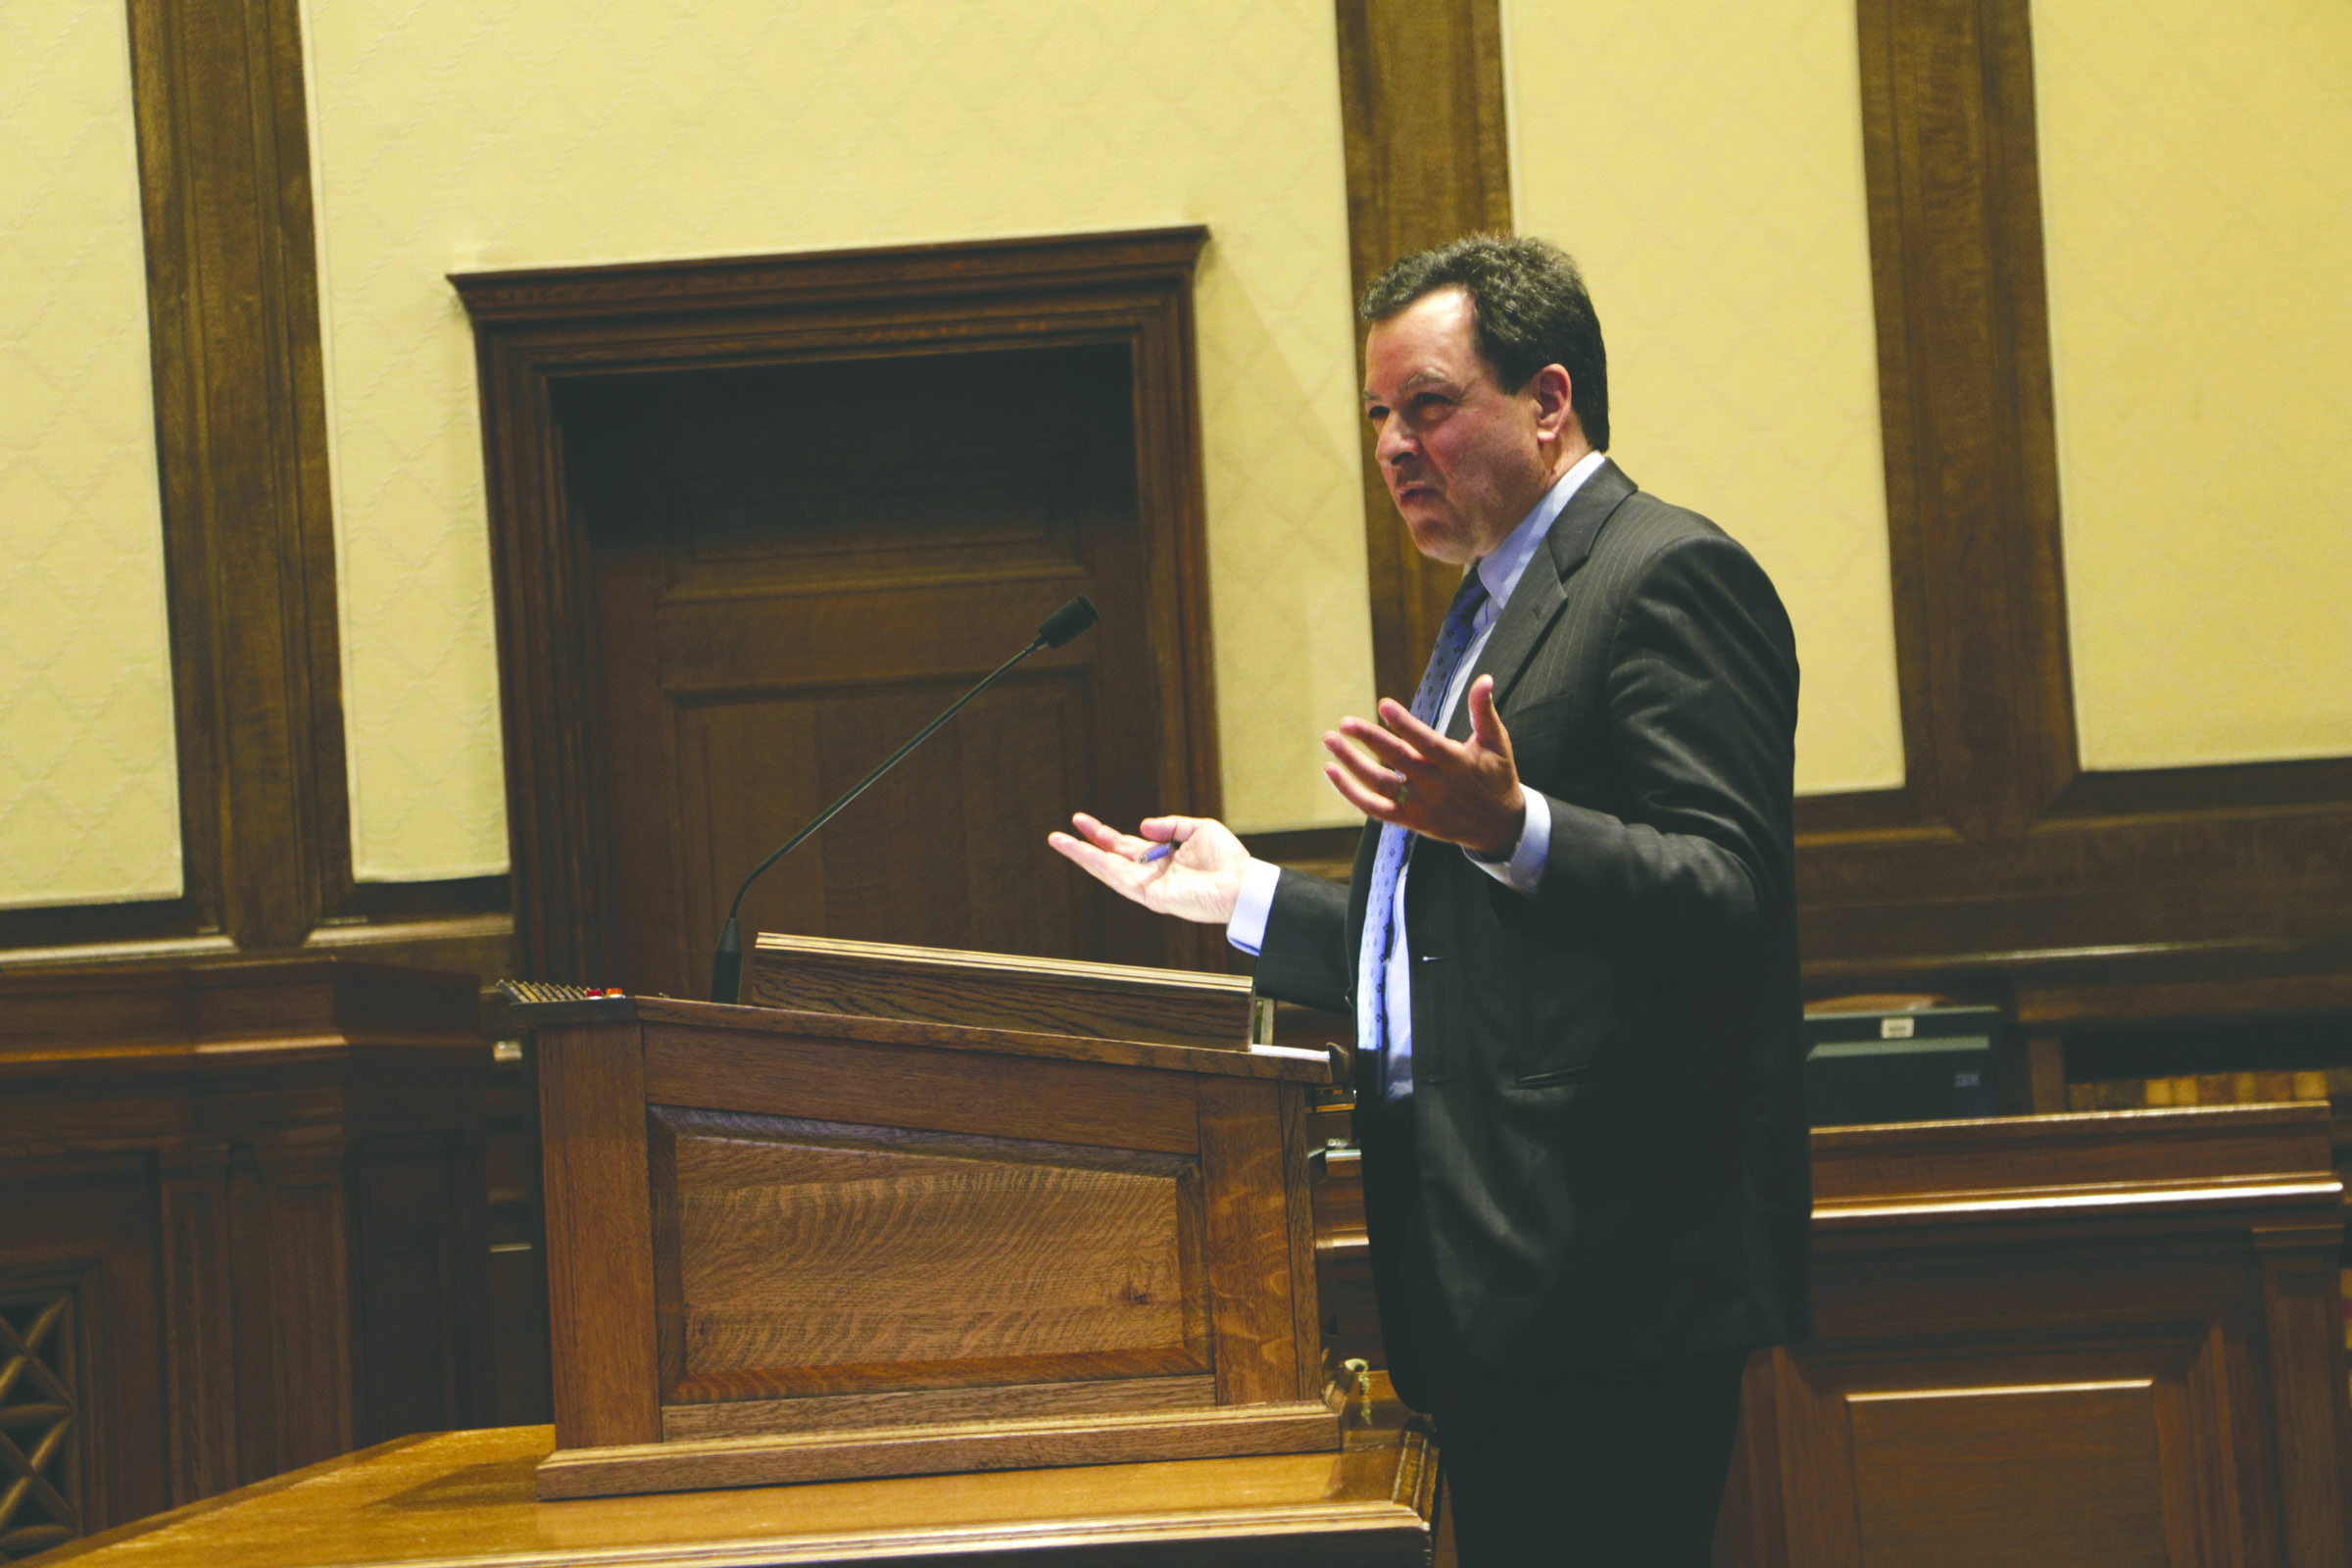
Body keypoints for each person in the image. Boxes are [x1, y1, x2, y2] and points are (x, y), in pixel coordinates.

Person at [1050, 233, 1809, 1565]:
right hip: (1495, 1272)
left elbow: (1726, 892)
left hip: (1607, 1264)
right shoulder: (1487, 605)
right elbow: (1453, 950)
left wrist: (1517, 827)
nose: (1394, 445)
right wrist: (1252, 901)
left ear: (1549, 400)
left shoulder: (1662, 576)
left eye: (1430, 407)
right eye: (1379, 416)